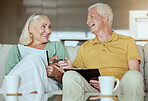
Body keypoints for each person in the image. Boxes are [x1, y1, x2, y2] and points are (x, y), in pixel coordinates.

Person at [62, 3, 144, 95]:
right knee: (70, 75)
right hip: (93, 89)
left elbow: (135, 71)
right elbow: (79, 75)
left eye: (91, 17)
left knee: (134, 75)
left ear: (105, 18)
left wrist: (110, 85)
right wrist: (71, 69)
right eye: (87, 18)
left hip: (119, 88)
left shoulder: (128, 41)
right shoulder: (85, 47)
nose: (87, 22)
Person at [1, 13, 70, 94]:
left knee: (32, 58)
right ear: (30, 28)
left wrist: (56, 74)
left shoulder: (56, 46)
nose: (48, 31)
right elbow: (11, 80)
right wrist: (40, 65)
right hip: (22, 86)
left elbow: (70, 79)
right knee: (32, 59)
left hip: (49, 85)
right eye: (43, 26)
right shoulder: (16, 50)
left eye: (49, 27)